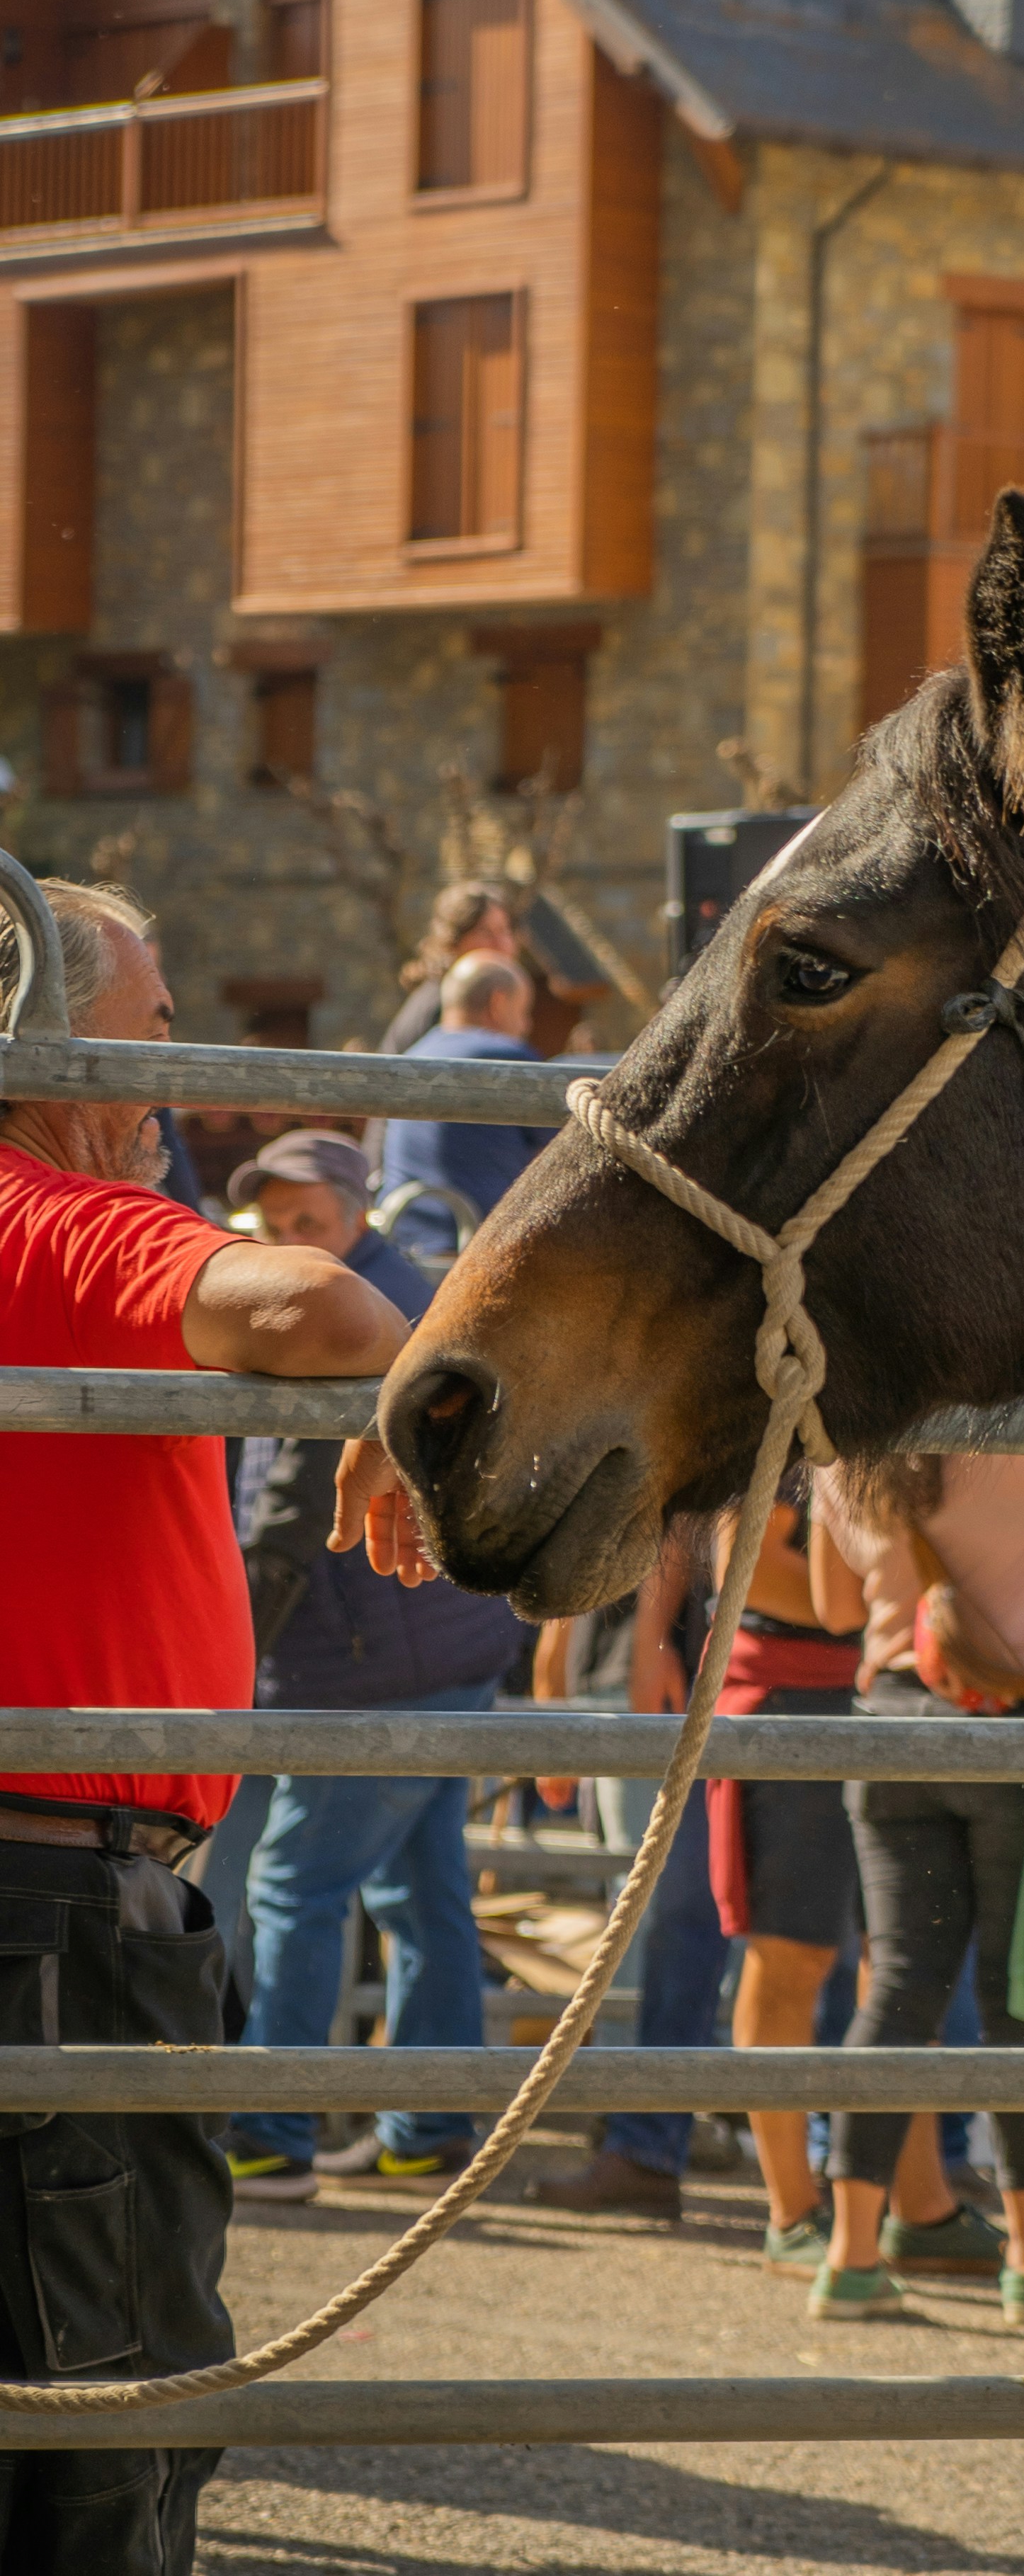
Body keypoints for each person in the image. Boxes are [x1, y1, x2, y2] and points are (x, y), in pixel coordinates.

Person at [0, 882, 417, 2576]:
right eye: (152, 1022)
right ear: (43, 1034)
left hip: (75, 1883)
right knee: (104, 2407)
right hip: (52, 1902)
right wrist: (400, 1389)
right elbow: (313, 1309)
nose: (175, 1065)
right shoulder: (42, 1214)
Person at [219, 1132, 526, 2200]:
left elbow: (292, 1513)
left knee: (294, 1886)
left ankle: (268, 2133)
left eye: (310, 1221)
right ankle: (427, 2124)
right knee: (420, 1885)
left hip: (367, 1658)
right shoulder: (402, 1300)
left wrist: (232, 1645)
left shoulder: (344, 1322)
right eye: (276, 1222)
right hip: (431, 1646)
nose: (291, 1239)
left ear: (357, 1210)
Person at [809, 1454, 1024, 2325]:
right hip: (1011, 1726)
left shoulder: (845, 1453)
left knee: (899, 1987)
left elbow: (836, 1609)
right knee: (1016, 1998)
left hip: (889, 1725)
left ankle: (848, 2257)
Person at [526, 1537, 735, 2217]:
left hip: (636, 1665)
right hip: (616, 1663)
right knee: (638, 1912)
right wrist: (555, 1679)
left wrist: (645, 1643)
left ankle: (642, 2129)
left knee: (645, 1917)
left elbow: (671, 1518)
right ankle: (640, 2125)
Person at [703, 1478, 867, 2276]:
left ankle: (910, 2203)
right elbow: (746, 1568)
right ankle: (791, 2209)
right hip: (792, 1699)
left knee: (901, 1965)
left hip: (886, 1693)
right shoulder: (789, 1420)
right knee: (789, 1955)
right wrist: (880, 1603)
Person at [380, 952, 557, 1258]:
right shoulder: (507, 1058)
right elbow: (559, 1157)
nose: (527, 1025)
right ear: (498, 1003)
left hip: (401, 1242)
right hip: (475, 1253)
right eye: (524, 1011)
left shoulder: (414, 1054)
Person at [378, 878, 517, 1057]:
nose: (501, 944)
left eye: (504, 931)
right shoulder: (445, 1002)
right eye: (485, 933)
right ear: (453, 942)